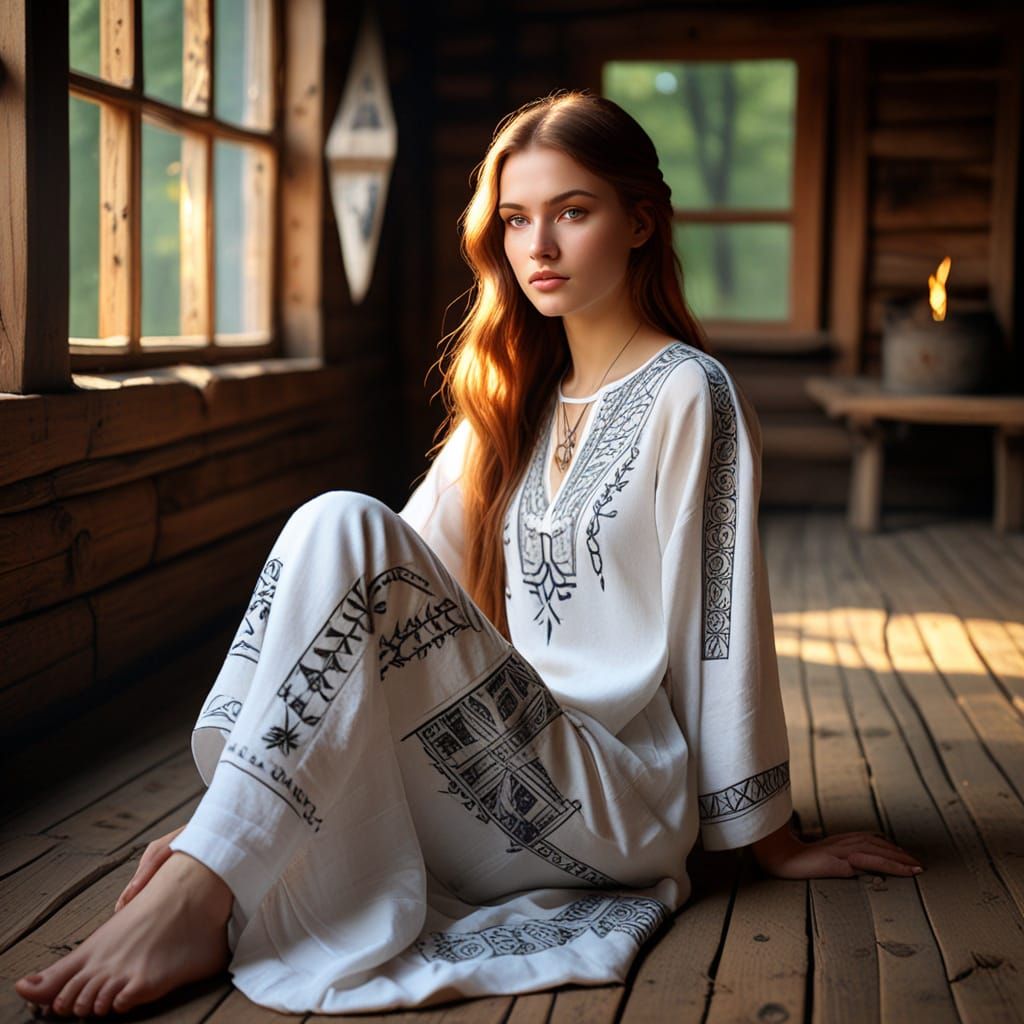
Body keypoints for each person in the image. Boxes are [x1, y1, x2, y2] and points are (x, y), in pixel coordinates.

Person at [15, 89, 922, 1019]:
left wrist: (766, 840)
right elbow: (376, 581)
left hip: (611, 795)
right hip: (484, 768)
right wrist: (228, 812)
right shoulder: (514, 399)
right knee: (336, 527)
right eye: (517, 219)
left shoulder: (693, 392)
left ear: (641, 221)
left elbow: (720, 624)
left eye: (573, 212)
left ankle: (201, 888)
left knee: (342, 521)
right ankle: (217, 858)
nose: (540, 248)